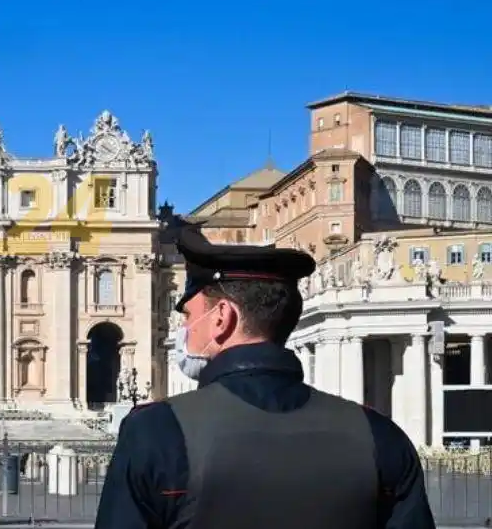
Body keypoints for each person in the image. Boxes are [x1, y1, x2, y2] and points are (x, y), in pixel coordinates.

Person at [94, 220, 436, 529]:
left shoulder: (155, 433)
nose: (184, 328)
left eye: (188, 316)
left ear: (221, 318)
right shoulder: (380, 436)